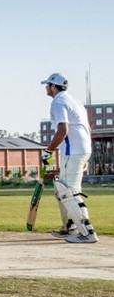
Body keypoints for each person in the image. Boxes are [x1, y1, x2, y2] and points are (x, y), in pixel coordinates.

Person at [40, 73, 98, 243]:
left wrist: (49, 151)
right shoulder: (75, 101)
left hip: (73, 151)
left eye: (47, 85)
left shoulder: (58, 102)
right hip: (81, 149)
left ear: (53, 86)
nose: (45, 88)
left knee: (69, 192)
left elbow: (62, 130)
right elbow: (87, 127)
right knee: (61, 191)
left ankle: (87, 232)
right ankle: (70, 227)